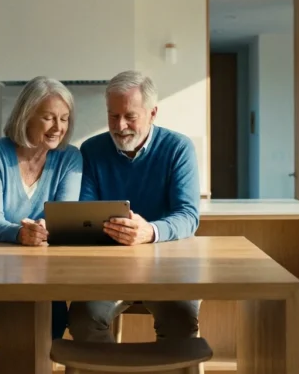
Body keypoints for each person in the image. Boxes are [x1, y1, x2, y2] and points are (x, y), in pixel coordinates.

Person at [67, 70, 201, 342]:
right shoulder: (92, 150)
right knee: (83, 321)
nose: (120, 125)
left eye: (130, 116)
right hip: (108, 268)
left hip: (167, 266)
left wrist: (149, 231)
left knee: (181, 321)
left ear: (152, 113)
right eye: (113, 116)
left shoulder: (178, 148)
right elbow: (85, 212)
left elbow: (188, 216)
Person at [0, 76, 83, 339]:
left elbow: (62, 217)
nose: (58, 127)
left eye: (64, 118)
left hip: (36, 261)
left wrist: (49, 229)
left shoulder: (70, 158)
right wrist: (20, 234)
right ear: (26, 116)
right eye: (48, 117)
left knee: (54, 321)